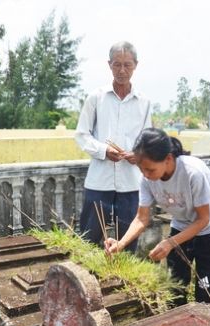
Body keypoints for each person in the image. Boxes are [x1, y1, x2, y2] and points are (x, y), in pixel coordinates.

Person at [104, 128, 210, 307]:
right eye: (141, 169)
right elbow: (142, 218)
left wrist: (170, 243)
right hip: (181, 227)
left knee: (206, 291)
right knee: (175, 287)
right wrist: (121, 244)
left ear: (168, 159)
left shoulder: (193, 173)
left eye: (150, 169)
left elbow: (203, 219)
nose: (146, 175)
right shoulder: (147, 179)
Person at [75, 41, 152, 251]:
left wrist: (139, 155)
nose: (122, 70)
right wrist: (103, 150)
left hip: (130, 184)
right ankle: (86, 282)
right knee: (88, 241)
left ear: (136, 65)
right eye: (117, 64)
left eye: (127, 65)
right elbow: (81, 135)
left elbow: (147, 139)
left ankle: (121, 283)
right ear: (109, 65)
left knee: (127, 244)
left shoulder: (144, 102)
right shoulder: (96, 98)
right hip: (99, 182)